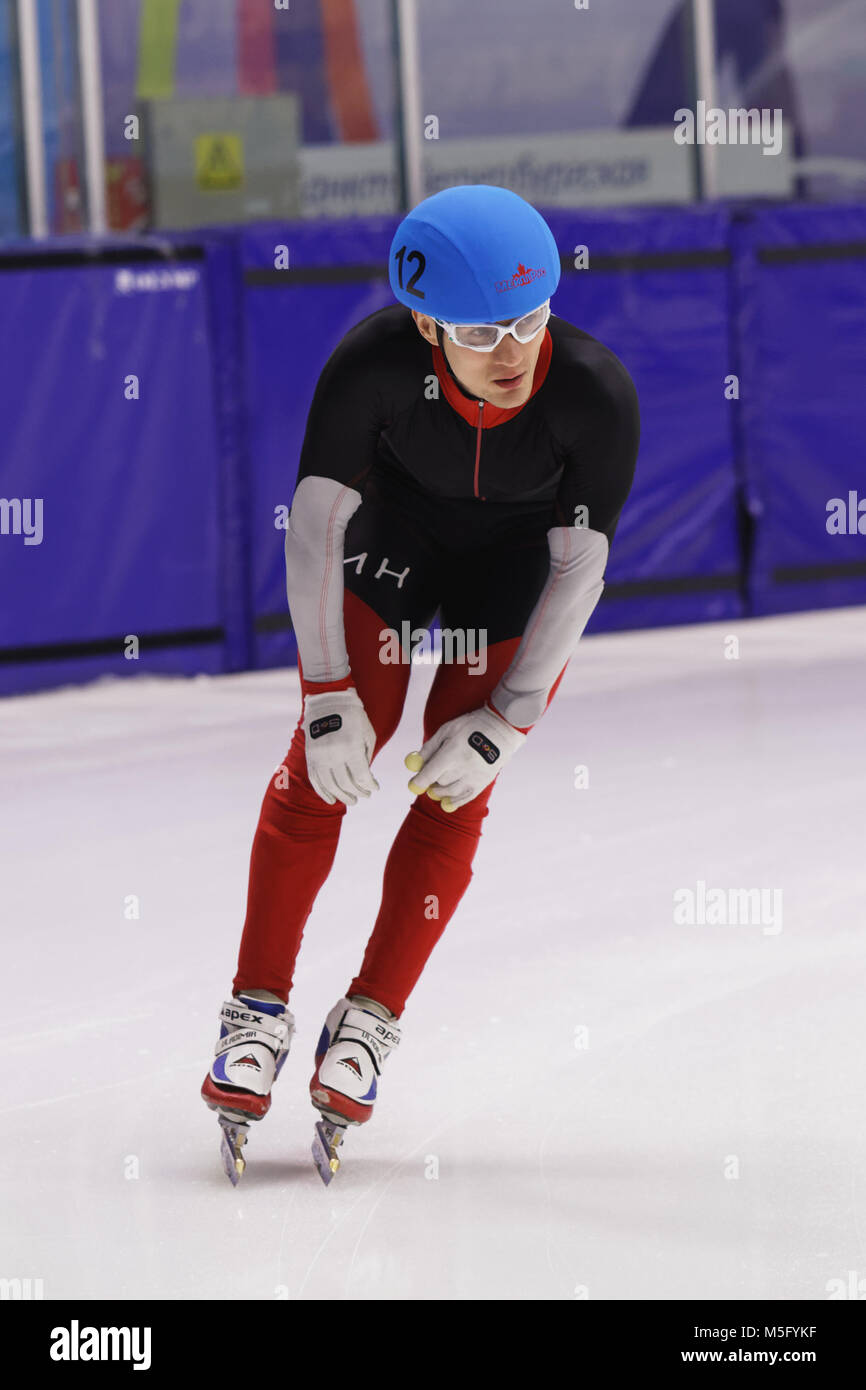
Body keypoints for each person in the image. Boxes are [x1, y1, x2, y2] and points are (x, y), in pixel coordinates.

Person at [201, 183, 640, 1170]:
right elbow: (316, 529)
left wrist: (506, 723)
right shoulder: (370, 368)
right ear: (425, 321)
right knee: (319, 773)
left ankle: (368, 1018)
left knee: (455, 788)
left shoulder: (592, 392)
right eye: (483, 331)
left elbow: (577, 571)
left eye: (531, 318)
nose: (515, 350)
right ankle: (256, 1008)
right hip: (390, 551)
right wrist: (324, 697)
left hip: (510, 571)